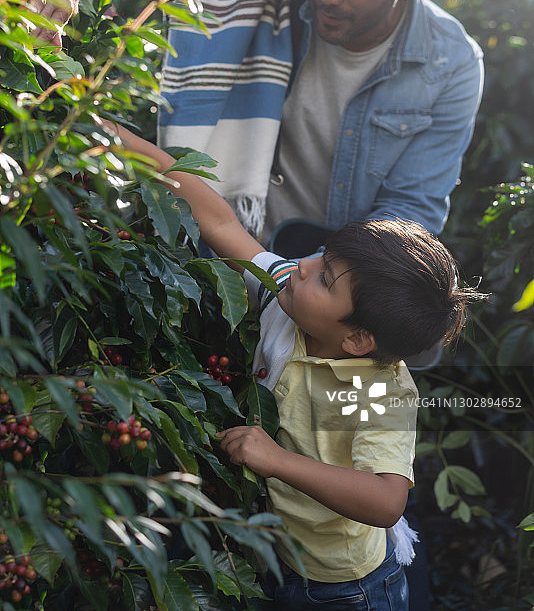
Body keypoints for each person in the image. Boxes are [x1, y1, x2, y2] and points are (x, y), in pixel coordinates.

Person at [98, 118, 484, 611]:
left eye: (325, 278)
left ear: (358, 339)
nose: (301, 265)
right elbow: (218, 222)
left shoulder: (378, 393)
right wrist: (112, 136)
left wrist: (277, 461)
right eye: (321, 257)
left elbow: (387, 502)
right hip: (279, 556)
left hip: (344, 587)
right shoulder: (290, 298)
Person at [34, 0, 484, 251]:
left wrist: (321, 294)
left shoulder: (450, 64)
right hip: (218, 265)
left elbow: (408, 216)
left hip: (333, 298)